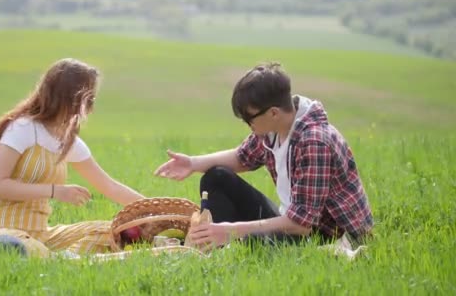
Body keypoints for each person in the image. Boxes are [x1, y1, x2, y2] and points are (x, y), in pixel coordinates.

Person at [154, 62, 373, 249]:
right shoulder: (275, 128)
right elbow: (242, 158)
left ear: (273, 113)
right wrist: (193, 163)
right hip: (289, 220)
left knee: (246, 240)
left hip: (323, 237)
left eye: (249, 119)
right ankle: (210, 245)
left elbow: (301, 225)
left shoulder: (314, 142)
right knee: (216, 177)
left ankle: (215, 245)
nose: (248, 125)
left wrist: (232, 230)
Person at [0, 58, 144, 257]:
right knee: (15, 245)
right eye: (89, 99)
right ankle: (51, 257)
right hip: (0, 230)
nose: (90, 107)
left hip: (41, 235)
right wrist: (55, 191)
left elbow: (110, 186)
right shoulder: (23, 128)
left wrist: (155, 210)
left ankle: (56, 258)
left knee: (111, 231)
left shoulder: (69, 141)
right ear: (69, 97)